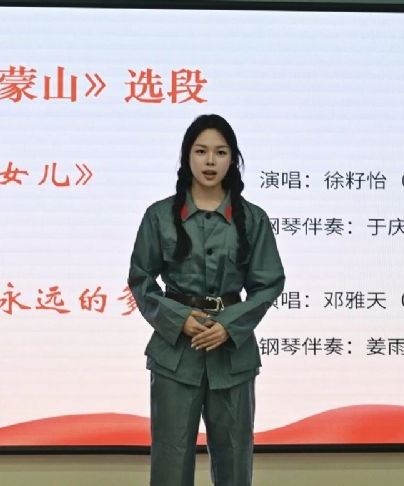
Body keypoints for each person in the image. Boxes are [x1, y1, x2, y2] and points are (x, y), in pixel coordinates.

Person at [127, 114, 285, 486]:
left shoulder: (253, 219)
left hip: (232, 356)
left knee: (235, 459)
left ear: (233, 159)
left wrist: (229, 326)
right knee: (170, 459)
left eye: (220, 152)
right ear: (187, 157)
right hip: (174, 355)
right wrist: (178, 319)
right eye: (201, 151)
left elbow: (269, 283)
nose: (210, 161)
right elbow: (141, 279)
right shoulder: (159, 216)